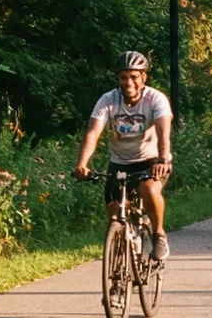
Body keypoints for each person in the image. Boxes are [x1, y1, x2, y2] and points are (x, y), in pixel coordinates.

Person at [74, 51, 174, 260]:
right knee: (114, 210)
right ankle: (119, 261)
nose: (129, 82)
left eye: (134, 77)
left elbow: (163, 131)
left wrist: (163, 159)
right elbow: (93, 132)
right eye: (124, 77)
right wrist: (82, 164)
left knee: (148, 188)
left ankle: (158, 234)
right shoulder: (108, 100)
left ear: (143, 78)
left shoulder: (155, 99)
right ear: (118, 79)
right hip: (119, 163)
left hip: (151, 161)